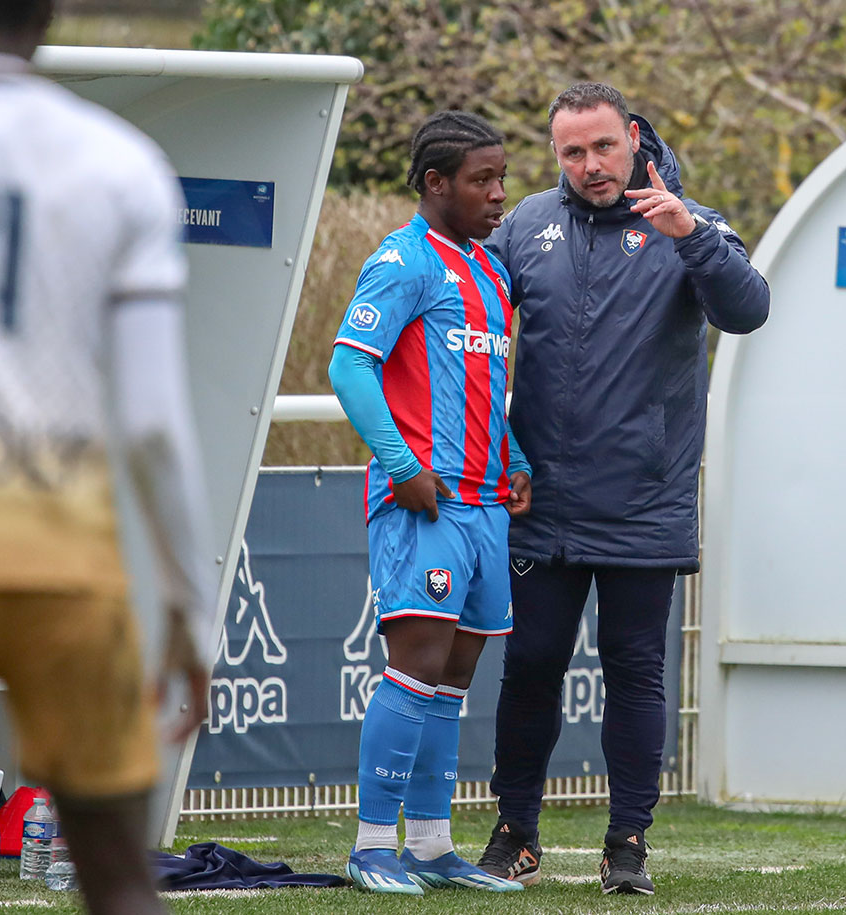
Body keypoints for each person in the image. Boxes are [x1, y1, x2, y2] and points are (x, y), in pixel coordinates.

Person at [0, 2, 216, 913]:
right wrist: (188, 604)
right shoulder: (118, 159)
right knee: (116, 877)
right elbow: (151, 421)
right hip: (63, 553)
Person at [476, 82, 769, 895]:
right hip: (540, 500)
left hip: (644, 500)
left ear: (633, 137)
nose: (589, 165)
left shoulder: (691, 223)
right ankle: (515, 832)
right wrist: (498, 448)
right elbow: (471, 333)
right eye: (571, 151)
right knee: (530, 665)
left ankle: (628, 842)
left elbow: (750, 311)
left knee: (635, 670)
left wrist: (695, 239)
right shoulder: (527, 225)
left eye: (603, 146)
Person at [328, 110, 530, 895]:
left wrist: (515, 461)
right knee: (414, 667)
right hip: (426, 505)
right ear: (435, 182)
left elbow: (483, 387)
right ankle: (372, 844)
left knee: (454, 677)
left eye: (503, 177)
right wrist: (403, 465)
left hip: (483, 507)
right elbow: (351, 368)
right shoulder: (402, 261)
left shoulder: (490, 271)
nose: (499, 194)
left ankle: (432, 845)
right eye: (483, 179)